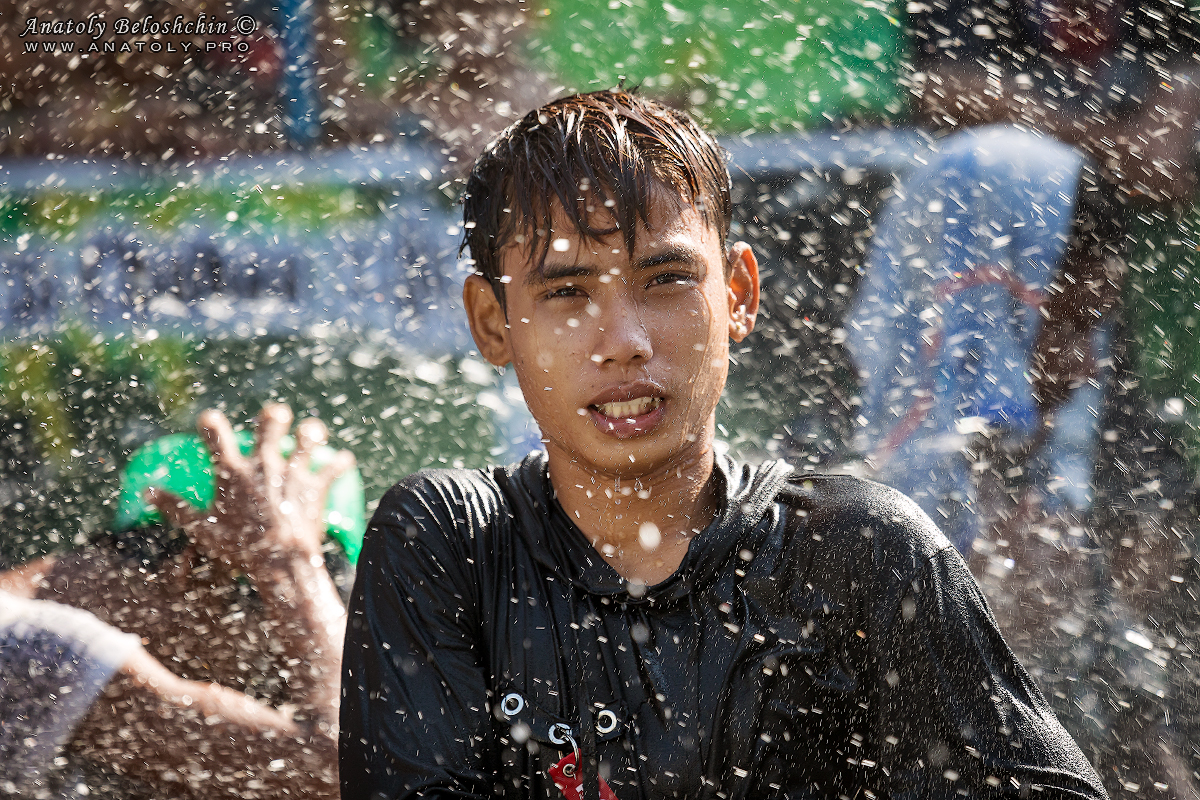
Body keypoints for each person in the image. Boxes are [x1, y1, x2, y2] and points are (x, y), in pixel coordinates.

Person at [338, 89, 1107, 799]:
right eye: (567, 292)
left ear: (738, 294)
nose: (625, 341)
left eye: (667, 279)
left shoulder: (862, 551)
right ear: (492, 322)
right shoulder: (452, 547)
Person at [1, 404, 352, 798]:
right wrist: (285, 560)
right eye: (286, 617)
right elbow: (358, 769)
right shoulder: (34, 647)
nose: (283, 672)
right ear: (200, 574)